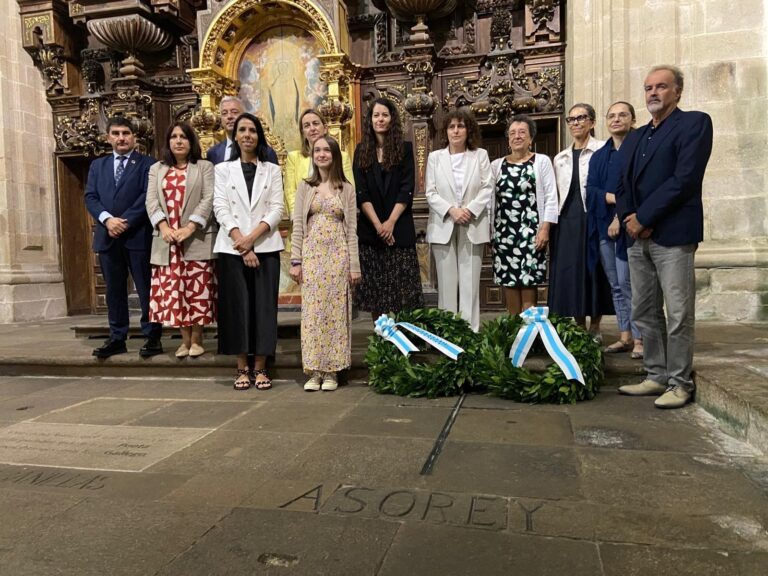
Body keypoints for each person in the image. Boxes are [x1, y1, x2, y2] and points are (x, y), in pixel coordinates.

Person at [616, 65, 713, 409]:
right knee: (644, 311)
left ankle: (680, 382)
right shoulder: (638, 136)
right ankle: (656, 375)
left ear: (677, 91)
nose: (653, 93)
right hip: (638, 237)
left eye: (661, 87)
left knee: (678, 312)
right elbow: (622, 182)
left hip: (672, 234)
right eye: (648, 88)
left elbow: (684, 179)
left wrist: (645, 217)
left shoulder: (694, 124)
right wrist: (630, 219)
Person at [213, 113, 285, 390]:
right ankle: (242, 367)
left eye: (252, 130)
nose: (247, 135)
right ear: (235, 135)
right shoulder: (223, 170)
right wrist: (241, 242)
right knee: (237, 309)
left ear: (259, 135)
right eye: (242, 130)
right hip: (232, 249)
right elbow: (220, 207)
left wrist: (252, 239)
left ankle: (261, 367)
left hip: (265, 246)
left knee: (264, 309)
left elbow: (277, 208)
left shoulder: (272, 169)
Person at [84, 117, 162, 358]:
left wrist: (124, 221)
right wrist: (108, 219)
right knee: (114, 290)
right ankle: (117, 337)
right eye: (116, 133)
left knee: (146, 287)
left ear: (134, 137)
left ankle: (152, 337)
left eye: (126, 133)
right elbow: (91, 197)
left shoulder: (148, 164)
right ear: (108, 138)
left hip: (138, 235)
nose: (121, 138)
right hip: (108, 236)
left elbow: (147, 197)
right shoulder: (99, 166)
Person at [289, 135, 361, 391]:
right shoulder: (305, 187)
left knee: (335, 313)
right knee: (313, 314)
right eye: (317, 150)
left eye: (326, 150)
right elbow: (298, 225)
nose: (321, 154)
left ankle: (332, 371)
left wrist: (354, 266)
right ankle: (314, 370)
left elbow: (352, 229)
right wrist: (295, 261)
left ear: (334, 155)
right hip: (312, 256)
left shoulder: (347, 188)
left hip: (338, 256)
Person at [146, 122, 217, 358]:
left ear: (191, 141)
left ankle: (197, 338)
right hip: (167, 241)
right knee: (175, 290)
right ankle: (184, 340)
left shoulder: (204, 167)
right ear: (168, 142)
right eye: (174, 137)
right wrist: (164, 226)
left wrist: (190, 226)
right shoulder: (157, 169)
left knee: (197, 290)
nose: (178, 141)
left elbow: (208, 198)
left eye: (183, 137)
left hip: (195, 237)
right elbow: (151, 201)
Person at [353, 97, 424, 319]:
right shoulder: (361, 150)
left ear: (392, 119)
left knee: (402, 294)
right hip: (372, 232)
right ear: (370, 120)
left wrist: (390, 223)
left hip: (399, 229)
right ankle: (380, 342)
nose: (380, 119)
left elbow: (406, 189)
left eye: (385, 115)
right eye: (376, 115)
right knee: (377, 295)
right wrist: (378, 225)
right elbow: (361, 193)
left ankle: (403, 343)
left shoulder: (404, 148)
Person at [548, 103, 613, 339]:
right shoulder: (560, 157)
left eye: (581, 118)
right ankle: (578, 322)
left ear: (592, 122)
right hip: (567, 219)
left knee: (593, 269)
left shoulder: (604, 150)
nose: (575, 123)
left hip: (594, 216)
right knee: (572, 270)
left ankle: (595, 325)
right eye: (571, 119)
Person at [425, 108, 492, 331]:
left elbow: (487, 187)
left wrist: (470, 210)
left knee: (469, 282)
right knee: (446, 284)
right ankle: (449, 333)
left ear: (468, 130)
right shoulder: (435, 158)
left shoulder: (480, 155)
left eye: (460, 126)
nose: (456, 130)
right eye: (451, 126)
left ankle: (469, 333)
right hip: (444, 223)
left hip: (472, 223)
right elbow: (431, 192)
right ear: (446, 131)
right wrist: (452, 210)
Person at [586, 102, 644, 359]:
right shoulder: (599, 155)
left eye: (622, 115)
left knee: (630, 284)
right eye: (611, 116)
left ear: (632, 119)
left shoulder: (640, 147)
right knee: (615, 286)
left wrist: (619, 215)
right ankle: (625, 336)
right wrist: (610, 198)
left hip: (631, 227)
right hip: (603, 228)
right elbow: (592, 191)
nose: (616, 119)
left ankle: (641, 339)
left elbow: (638, 188)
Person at [490, 115, 558, 316]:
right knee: (508, 280)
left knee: (529, 279)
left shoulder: (541, 161)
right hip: (504, 231)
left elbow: (551, 196)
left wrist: (545, 229)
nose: (517, 136)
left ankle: (529, 330)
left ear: (531, 138)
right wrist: (489, 232)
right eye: (512, 133)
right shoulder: (496, 165)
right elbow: (489, 201)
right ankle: (513, 328)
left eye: (522, 132)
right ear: (507, 139)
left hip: (531, 231)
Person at [284, 109, 353, 222]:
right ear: (303, 132)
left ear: (325, 128)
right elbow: (290, 192)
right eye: (307, 125)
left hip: (335, 221)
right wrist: (297, 218)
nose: (312, 128)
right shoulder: (293, 158)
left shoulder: (342, 157)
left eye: (315, 123)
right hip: (302, 223)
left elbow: (348, 192)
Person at [207, 96, 279, 165]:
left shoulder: (266, 152)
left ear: (244, 115)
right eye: (224, 113)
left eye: (234, 112)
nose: (229, 116)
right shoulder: (213, 153)